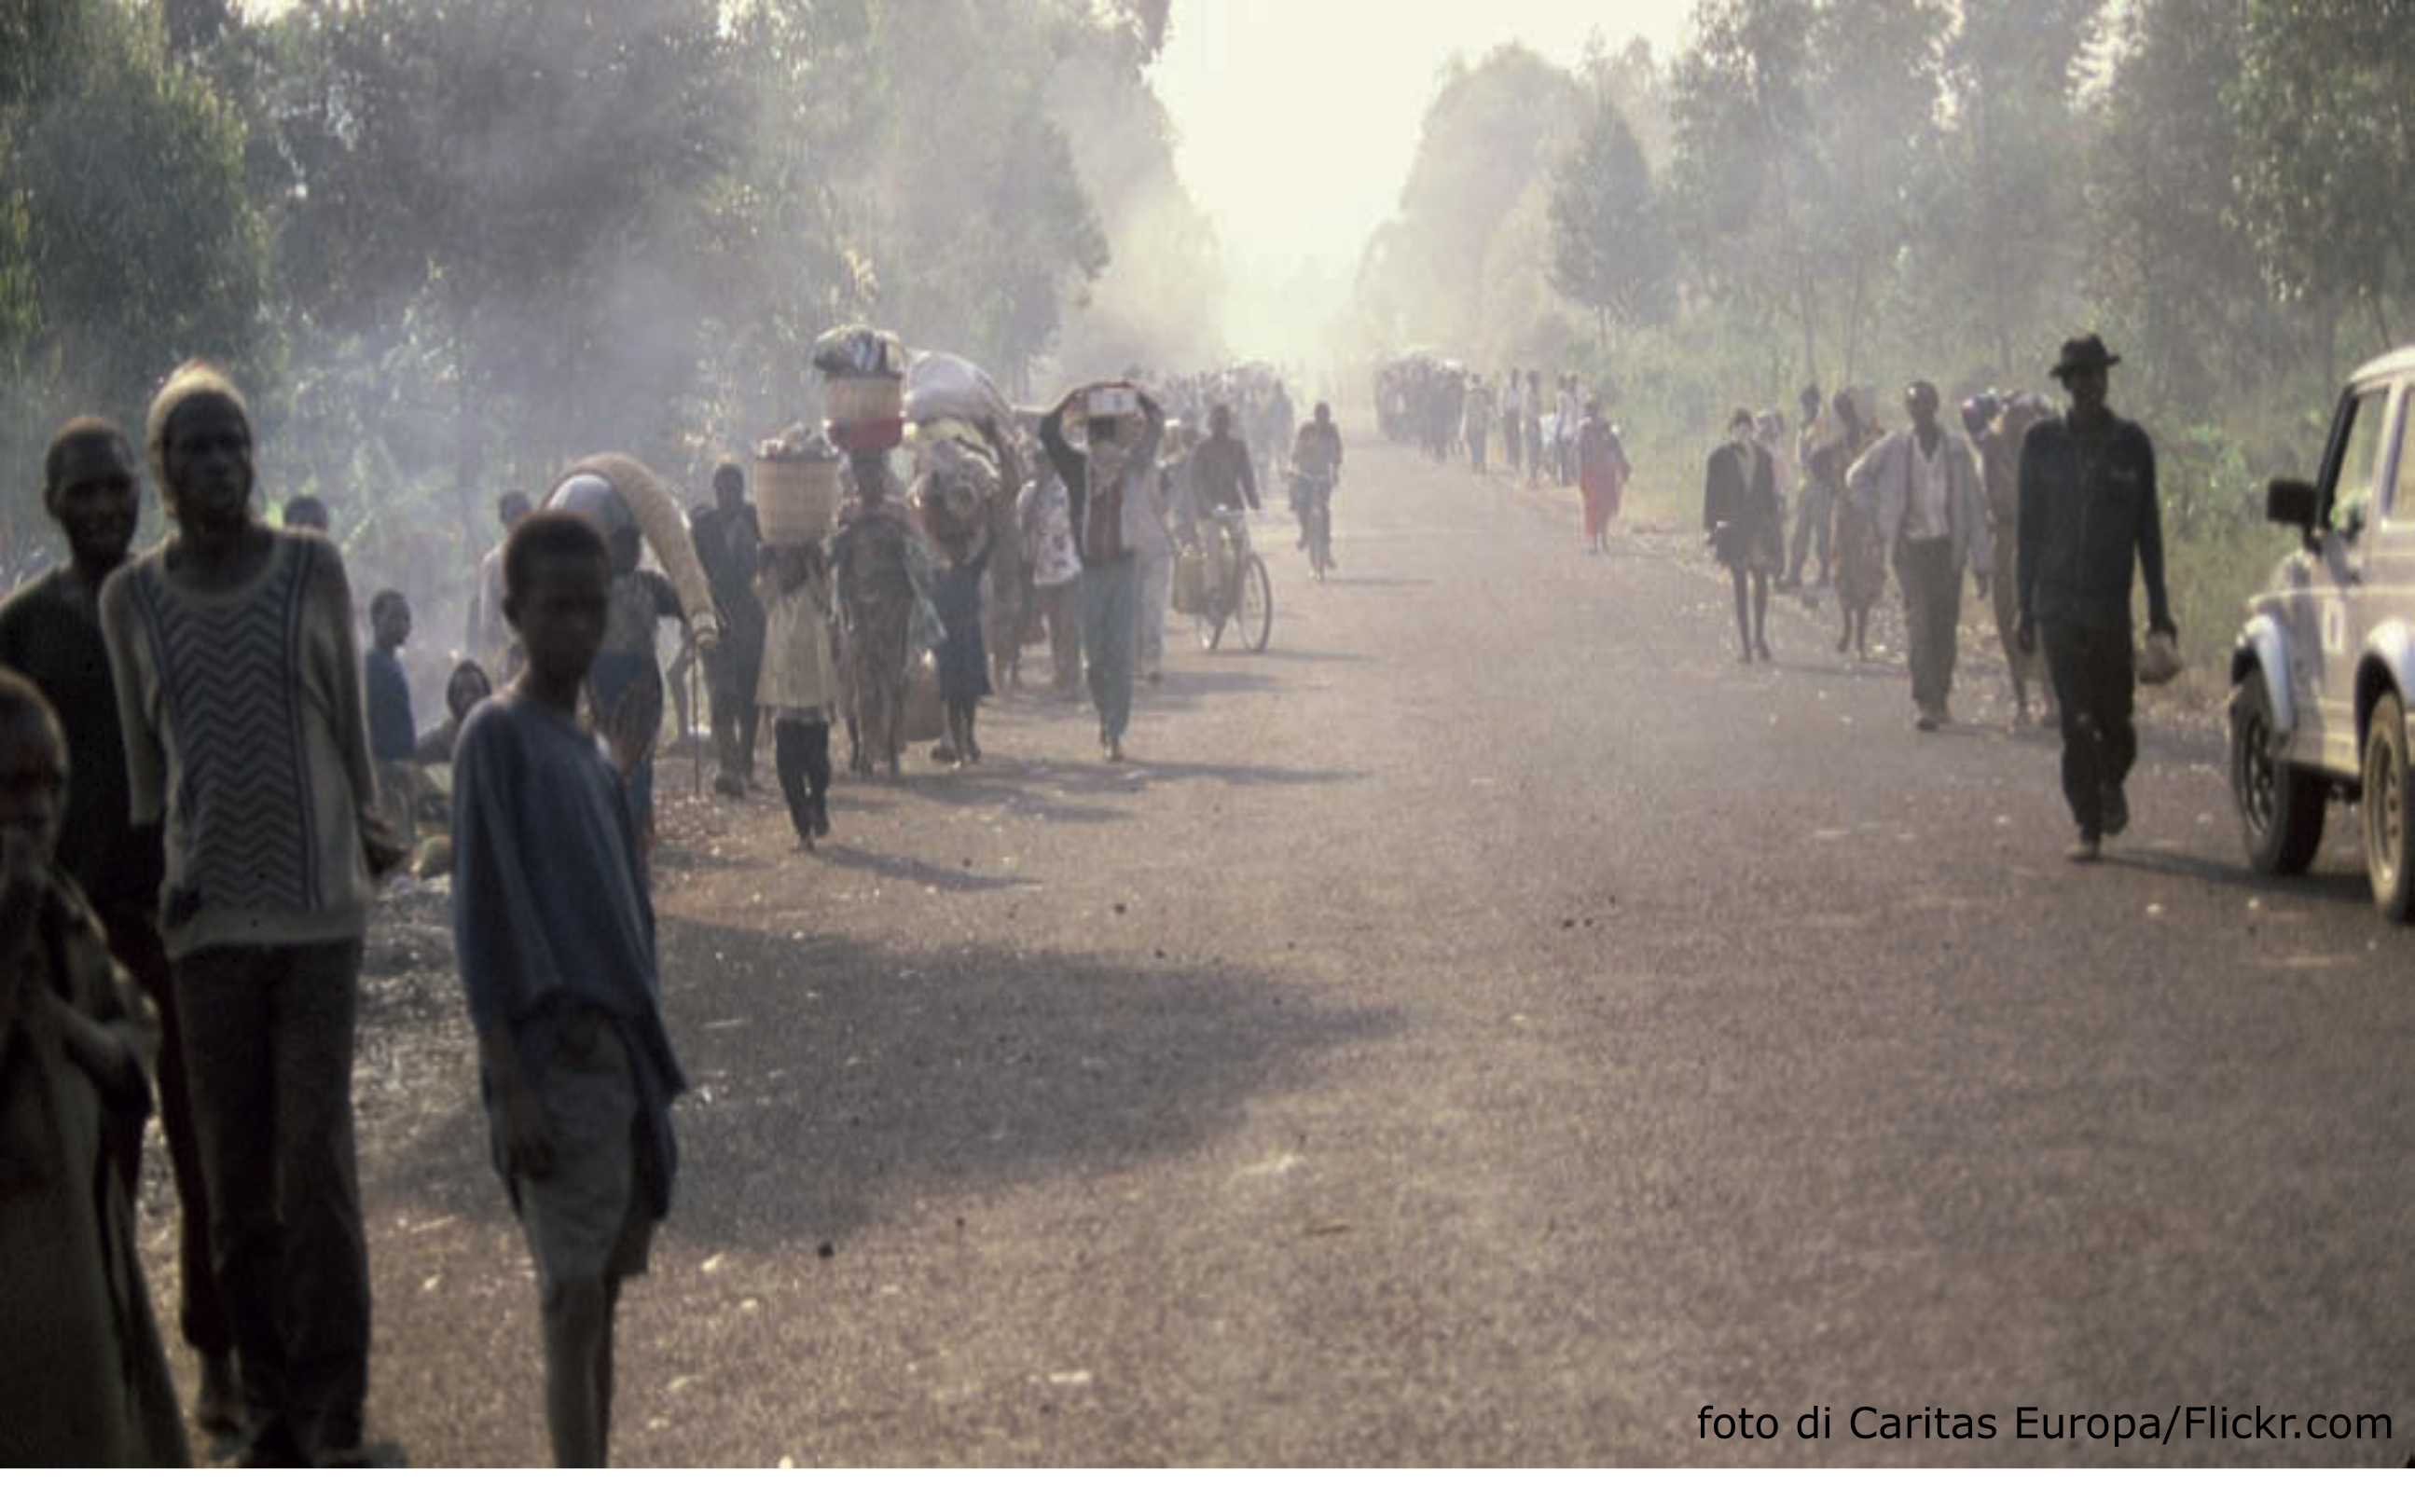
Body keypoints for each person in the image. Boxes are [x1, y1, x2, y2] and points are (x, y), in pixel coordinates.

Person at [99, 363, 397, 1467]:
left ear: (254, 459)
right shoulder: (129, 598)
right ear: (163, 473)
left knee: (314, 1164)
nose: (219, 464)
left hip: (319, 911)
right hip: (207, 923)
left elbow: (355, 744)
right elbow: (146, 777)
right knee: (232, 1180)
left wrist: (371, 829)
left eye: (234, 443)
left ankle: (334, 1408)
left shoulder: (312, 567)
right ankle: (269, 1401)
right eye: (195, 447)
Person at [0, 417, 238, 1438]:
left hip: (178, 906)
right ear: (52, 503)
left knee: (204, 1144)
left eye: (114, 489)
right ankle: (103, 1378)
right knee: (93, 1155)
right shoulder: (24, 627)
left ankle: (216, 1356)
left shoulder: (169, 599)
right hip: (71, 928)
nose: (102, 506)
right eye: (81, 491)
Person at [450, 511, 688, 1468]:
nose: (577, 627)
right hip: (554, 1060)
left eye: (592, 608)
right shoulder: (495, 737)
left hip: (617, 1065)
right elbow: (482, 920)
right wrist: (508, 1078)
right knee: (570, 1295)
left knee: (602, 1297)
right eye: (556, 609)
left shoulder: (590, 752)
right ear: (513, 611)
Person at [0, 672, 188, 1468]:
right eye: (10, 787)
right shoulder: (27, 909)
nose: (37, 810)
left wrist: (69, 1030)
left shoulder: (64, 906)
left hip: (86, 1258)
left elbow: (134, 1033)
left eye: (52, 785)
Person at [2017, 335, 2174, 863]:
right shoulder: (2040, 444)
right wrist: (2023, 604)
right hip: (2056, 604)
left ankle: (2111, 779)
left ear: (2106, 380)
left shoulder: (2133, 445)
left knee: (2116, 720)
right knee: (2076, 719)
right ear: (2066, 383)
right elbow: (2028, 531)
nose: (2089, 385)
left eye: (2096, 375)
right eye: (2079, 376)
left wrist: (2160, 613)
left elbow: (2148, 535)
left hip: (2109, 606)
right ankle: (2088, 825)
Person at [1846, 379, 1994, 732]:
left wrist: (1983, 564)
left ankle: (1941, 695)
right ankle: (1926, 700)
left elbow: (1973, 508)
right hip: (1910, 548)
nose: (1921, 410)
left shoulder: (1956, 451)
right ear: (1908, 409)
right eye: (1914, 404)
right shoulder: (1896, 446)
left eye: (1926, 403)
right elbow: (1856, 477)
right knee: (1920, 621)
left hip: (1947, 548)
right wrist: (1880, 517)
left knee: (1945, 624)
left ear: (1935, 407)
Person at [1042, 385, 1165, 763]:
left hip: (1124, 569)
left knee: (1121, 657)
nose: (1103, 444)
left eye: (1108, 435)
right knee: (1094, 660)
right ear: (1090, 438)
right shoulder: (1079, 471)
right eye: (1098, 435)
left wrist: (1135, 394)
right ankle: (1105, 717)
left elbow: (1156, 424)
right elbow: (1047, 431)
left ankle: (1114, 732)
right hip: (1090, 574)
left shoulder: (1132, 468)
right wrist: (1069, 397)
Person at [1973, 392, 2056, 726]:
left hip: (2039, 544)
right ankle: (2022, 702)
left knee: (2044, 623)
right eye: (2016, 415)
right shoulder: (1992, 449)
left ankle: (2051, 701)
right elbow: (1989, 499)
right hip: (2006, 543)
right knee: (2009, 622)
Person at [755, 540, 837, 849]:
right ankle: (803, 830)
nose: (787, 565)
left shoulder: (815, 591)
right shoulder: (774, 592)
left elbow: (828, 601)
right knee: (787, 770)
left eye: (792, 560)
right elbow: (760, 597)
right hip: (783, 695)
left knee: (818, 767)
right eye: (783, 560)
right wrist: (767, 565)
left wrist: (809, 562)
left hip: (814, 696)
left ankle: (817, 801)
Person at [690, 463, 766, 797]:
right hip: (716, 619)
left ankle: (746, 764)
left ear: (742, 489)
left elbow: (774, 553)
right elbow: (691, 571)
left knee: (750, 698)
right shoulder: (703, 527)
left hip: (752, 619)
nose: (728, 497)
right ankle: (728, 766)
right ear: (715, 491)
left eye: (733, 490)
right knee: (721, 694)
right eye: (722, 491)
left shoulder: (757, 520)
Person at [1703, 407, 1783, 663]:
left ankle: (1760, 637)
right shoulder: (1718, 458)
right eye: (1738, 427)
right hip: (1733, 530)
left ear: (1752, 430)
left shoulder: (1765, 458)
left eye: (1746, 427)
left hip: (1758, 528)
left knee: (1761, 584)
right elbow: (1711, 496)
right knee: (1739, 587)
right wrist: (1710, 527)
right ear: (1731, 430)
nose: (1743, 431)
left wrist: (1775, 528)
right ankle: (1745, 644)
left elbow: (1769, 496)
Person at [1824, 391, 1886, 656]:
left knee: (1865, 576)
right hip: (1845, 515)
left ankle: (1859, 638)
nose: (1844, 415)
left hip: (1865, 516)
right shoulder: (1837, 444)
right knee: (1842, 574)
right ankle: (1848, 629)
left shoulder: (1873, 441)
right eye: (1841, 410)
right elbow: (1819, 466)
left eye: (1847, 409)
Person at [367, 588, 420, 845]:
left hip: (399, 768)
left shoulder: (392, 663)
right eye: (395, 617)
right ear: (375, 619)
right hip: (385, 769)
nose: (403, 625)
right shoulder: (372, 665)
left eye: (406, 619)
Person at [466, 489, 533, 674]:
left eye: (524, 513)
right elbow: (489, 624)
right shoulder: (494, 562)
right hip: (516, 660)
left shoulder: (546, 554)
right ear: (504, 521)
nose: (520, 520)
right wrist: (513, 644)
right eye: (515, 515)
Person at [1290, 401, 1345, 569]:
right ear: (1315, 417)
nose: (1323, 420)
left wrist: (1334, 471)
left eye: (1325, 417)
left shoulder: (1332, 432)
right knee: (1301, 505)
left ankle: (1326, 549)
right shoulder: (1306, 430)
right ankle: (1305, 532)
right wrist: (1293, 468)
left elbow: (1337, 455)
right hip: (1305, 476)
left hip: (1322, 477)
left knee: (1324, 510)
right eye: (1320, 417)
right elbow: (1296, 453)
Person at [1576, 401, 1630, 555]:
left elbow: (1581, 453)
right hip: (1601, 471)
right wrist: (1623, 464)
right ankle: (1601, 541)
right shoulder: (1603, 426)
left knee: (1594, 507)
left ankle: (1596, 542)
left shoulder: (1587, 428)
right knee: (1601, 506)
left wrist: (1623, 464)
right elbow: (1617, 447)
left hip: (1596, 472)